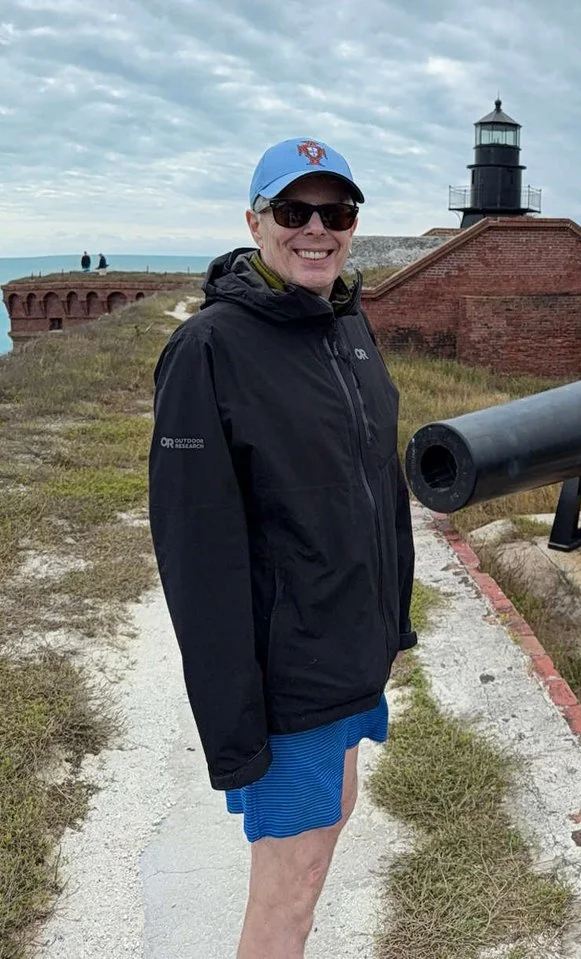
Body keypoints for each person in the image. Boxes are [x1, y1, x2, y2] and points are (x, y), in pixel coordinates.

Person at [147, 137, 415, 959]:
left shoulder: (346, 325)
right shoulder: (210, 351)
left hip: (347, 652)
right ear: (255, 223)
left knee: (337, 808)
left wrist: (391, 629)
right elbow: (198, 560)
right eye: (294, 212)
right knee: (289, 894)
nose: (317, 230)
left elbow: (377, 490)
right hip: (289, 677)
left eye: (335, 213)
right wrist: (237, 731)